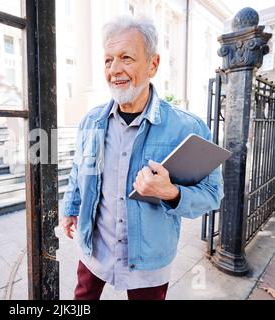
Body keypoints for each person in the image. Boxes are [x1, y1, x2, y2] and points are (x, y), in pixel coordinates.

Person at [61, 15, 224, 300]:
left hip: (149, 263)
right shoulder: (91, 121)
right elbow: (78, 171)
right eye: (108, 60)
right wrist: (71, 207)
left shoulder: (189, 128)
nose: (115, 69)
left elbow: (212, 195)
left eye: (126, 57)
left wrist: (171, 193)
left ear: (153, 64)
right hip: (94, 249)